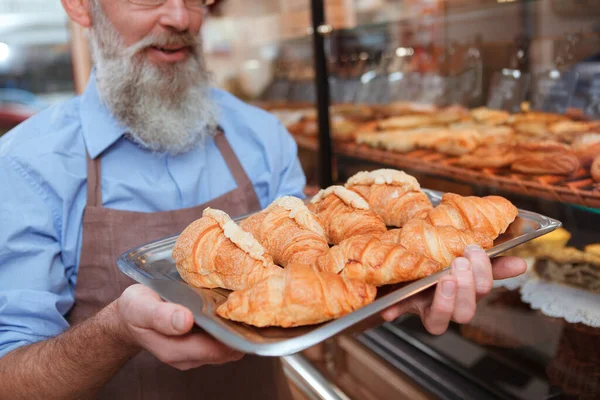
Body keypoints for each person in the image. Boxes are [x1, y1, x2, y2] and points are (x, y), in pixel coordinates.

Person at [0, 0, 527, 398]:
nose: (181, 16)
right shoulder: (25, 167)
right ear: (78, 4)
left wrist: (396, 292)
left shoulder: (261, 135)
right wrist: (117, 333)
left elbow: (313, 292)